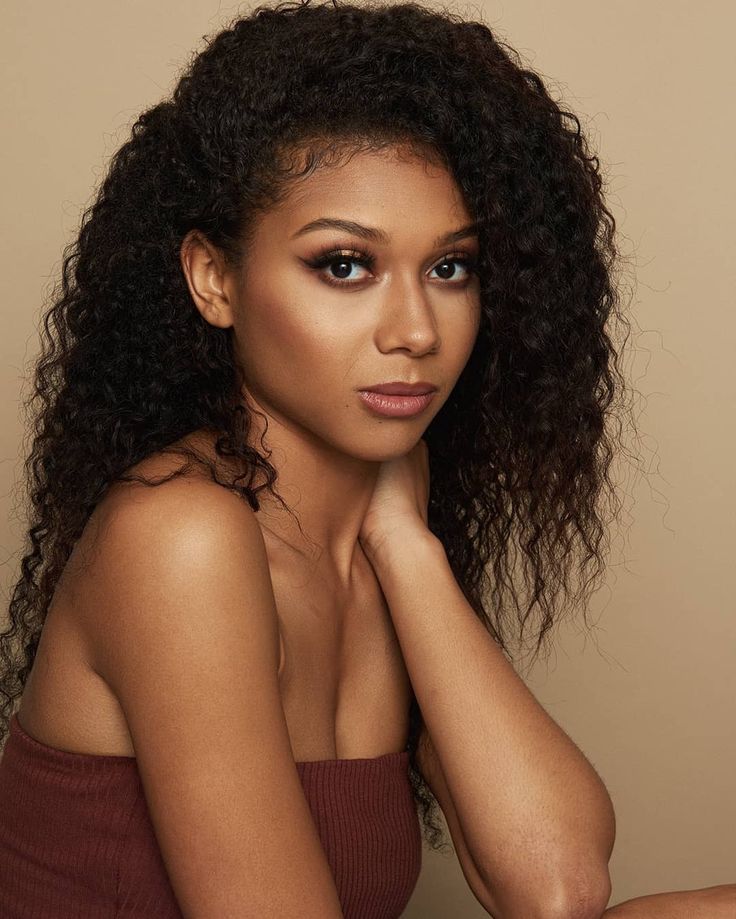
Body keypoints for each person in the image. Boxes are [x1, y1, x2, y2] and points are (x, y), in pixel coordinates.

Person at [0, 0, 733, 916]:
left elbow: (556, 885)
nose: (415, 330)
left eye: (451, 268)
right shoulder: (178, 537)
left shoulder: (373, 535)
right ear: (214, 279)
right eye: (345, 265)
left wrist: (402, 539)